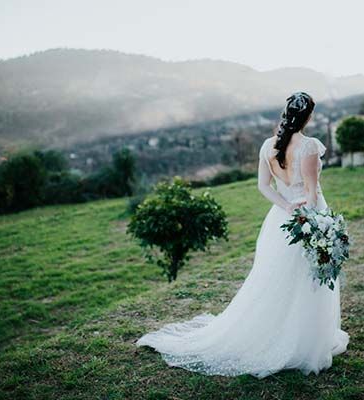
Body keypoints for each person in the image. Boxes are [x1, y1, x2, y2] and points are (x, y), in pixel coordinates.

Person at [135, 92, 349, 378]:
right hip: (307, 220)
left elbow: (263, 186)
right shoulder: (309, 147)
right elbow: (310, 193)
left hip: (279, 222)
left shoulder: (267, 146)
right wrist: (312, 224)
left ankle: (282, 334)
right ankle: (301, 343)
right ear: (308, 117)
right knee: (305, 280)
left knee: (277, 281)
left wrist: (286, 207)